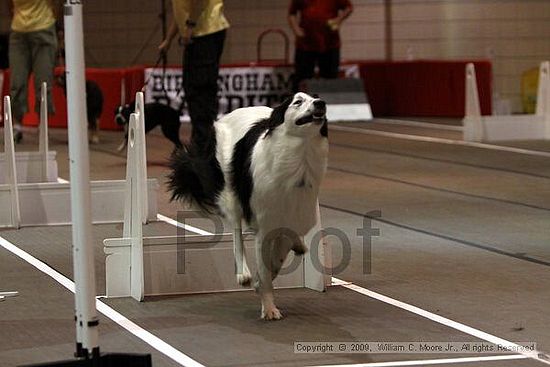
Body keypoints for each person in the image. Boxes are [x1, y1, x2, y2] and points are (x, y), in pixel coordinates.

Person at [159, 0, 229, 151]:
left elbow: (197, 3)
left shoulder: (195, 25)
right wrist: (168, 40)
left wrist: (190, 25)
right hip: (198, 32)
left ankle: (203, 146)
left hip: (205, 32)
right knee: (193, 88)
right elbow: (182, 12)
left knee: (201, 90)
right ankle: (201, 143)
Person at [8, 0, 61, 143]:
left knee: (43, 83)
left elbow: (57, 4)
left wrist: (54, 22)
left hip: (44, 29)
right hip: (19, 33)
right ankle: (16, 125)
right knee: (17, 82)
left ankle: (43, 125)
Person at [288, 0, 353, 92]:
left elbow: (349, 8)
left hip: (330, 43)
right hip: (306, 44)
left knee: (330, 79)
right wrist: (296, 29)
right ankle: (300, 104)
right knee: (301, 79)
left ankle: (328, 103)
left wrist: (338, 20)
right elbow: (292, 13)